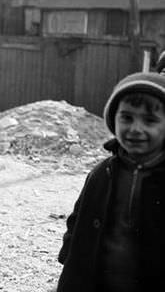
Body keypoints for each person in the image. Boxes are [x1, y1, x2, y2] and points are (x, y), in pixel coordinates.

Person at [56, 71, 165, 291]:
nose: (135, 128)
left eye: (150, 120)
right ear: (113, 120)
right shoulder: (101, 173)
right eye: (126, 117)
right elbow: (77, 219)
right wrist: (69, 256)